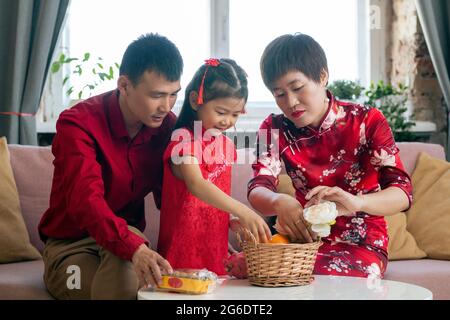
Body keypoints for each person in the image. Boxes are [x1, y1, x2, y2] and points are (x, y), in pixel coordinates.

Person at [247, 33, 413, 278]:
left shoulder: (367, 120)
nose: (291, 102)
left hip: (361, 242)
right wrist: (279, 202)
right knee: (246, 270)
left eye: (297, 88)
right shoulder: (274, 127)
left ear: (322, 76)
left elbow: (402, 193)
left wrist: (357, 203)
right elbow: (258, 187)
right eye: (279, 94)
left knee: (315, 279)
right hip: (302, 241)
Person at [38, 33, 183, 299]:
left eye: (174, 94)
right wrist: (134, 248)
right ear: (125, 85)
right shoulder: (78, 124)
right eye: (156, 95)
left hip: (128, 244)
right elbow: (85, 201)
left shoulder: (168, 128)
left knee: (127, 266)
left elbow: (176, 197)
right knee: (123, 278)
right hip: (71, 247)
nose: (166, 106)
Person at [157, 58, 271, 275]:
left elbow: (214, 195)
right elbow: (197, 184)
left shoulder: (226, 145)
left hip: (214, 249)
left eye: (235, 114)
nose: (228, 121)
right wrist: (242, 209)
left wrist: (229, 218)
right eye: (221, 112)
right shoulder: (183, 142)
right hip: (182, 253)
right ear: (194, 101)